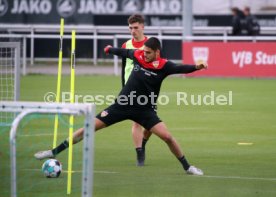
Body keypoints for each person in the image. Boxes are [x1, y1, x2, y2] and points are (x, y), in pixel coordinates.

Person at [34, 37, 207, 175]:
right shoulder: (138, 55)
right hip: (121, 105)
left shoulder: (164, 66)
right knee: (88, 128)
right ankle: (53, 152)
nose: (144, 54)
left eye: (148, 52)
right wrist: (110, 50)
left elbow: (181, 68)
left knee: (167, 137)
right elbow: (124, 52)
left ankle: (188, 168)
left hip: (144, 110)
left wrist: (197, 67)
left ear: (157, 52)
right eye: (144, 51)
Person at [122, 14, 152, 166]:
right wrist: (124, 88)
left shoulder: (151, 43)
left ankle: (143, 144)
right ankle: (139, 153)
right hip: (131, 89)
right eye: (130, 28)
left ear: (142, 27)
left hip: (147, 89)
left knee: (150, 126)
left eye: (135, 27)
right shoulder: (126, 45)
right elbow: (124, 68)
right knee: (136, 122)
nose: (133, 31)